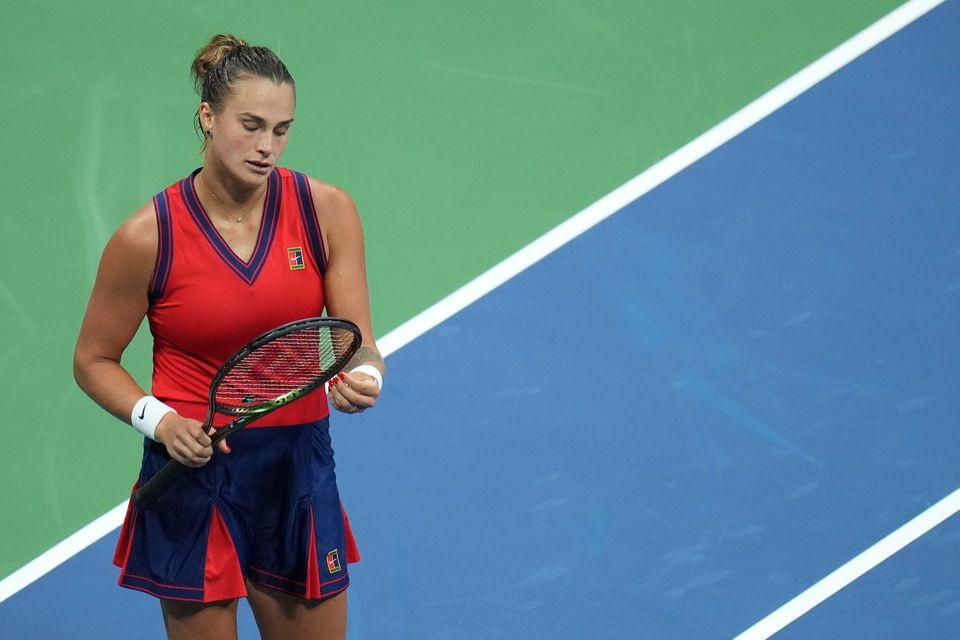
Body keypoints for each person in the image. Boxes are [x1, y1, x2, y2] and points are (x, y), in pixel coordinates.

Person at [73, 33, 383, 639]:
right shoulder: (147, 238)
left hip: (297, 466)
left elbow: (358, 341)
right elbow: (93, 359)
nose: (267, 146)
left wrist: (366, 374)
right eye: (251, 125)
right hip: (194, 467)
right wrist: (157, 421)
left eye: (282, 129)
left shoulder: (327, 210)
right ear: (208, 117)